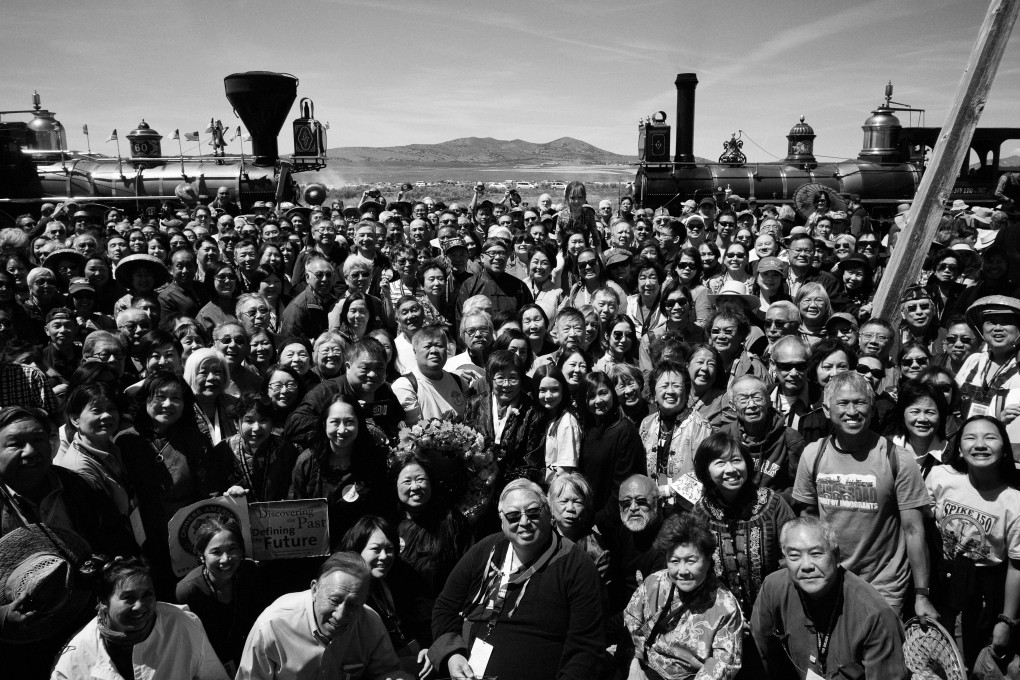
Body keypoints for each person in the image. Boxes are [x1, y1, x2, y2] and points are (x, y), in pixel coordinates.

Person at [792, 371, 938, 617]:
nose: (852, 411)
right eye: (843, 403)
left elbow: (914, 530)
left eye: (860, 402)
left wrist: (922, 595)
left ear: (872, 409)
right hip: (830, 582)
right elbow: (808, 520)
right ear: (827, 410)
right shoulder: (812, 455)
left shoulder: (897, 459)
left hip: (884, 587)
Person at [429, 479, 607, 680]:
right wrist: (452, 655)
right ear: (502, 519)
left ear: (547, 512)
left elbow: (586, 648)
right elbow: (445, 607)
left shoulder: (576, 564)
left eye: (533, 512)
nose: (524, 522)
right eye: (513, 516)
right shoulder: (486, 549)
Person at [751, 516, 910, 679]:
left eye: (816, 553)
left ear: (836, 556)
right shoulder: (773, 588)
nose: (806, 566)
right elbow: (761, 654)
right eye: (794, 556)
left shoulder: (874, 614)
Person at [926, 415, 1020, 667]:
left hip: (985, 594)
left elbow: (1016, 566)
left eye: (990, 437)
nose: (980, 444)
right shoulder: (940, 477)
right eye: (970, 437)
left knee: (973, 663)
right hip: (941, 583)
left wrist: (1007, 620)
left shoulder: (1014, 500)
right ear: (959, 447)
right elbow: (922, 523)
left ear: (1004, 448)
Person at [237, 551, 413, 680]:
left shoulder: (370, 621)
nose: (341, 615)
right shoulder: (272, 625)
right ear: (315, 589)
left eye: (353, 605)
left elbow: (387, 671)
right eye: (335, 600)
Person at [53, 556, 229, 680]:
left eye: (147, 595)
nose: (140, 606)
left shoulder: (182, 623)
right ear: (103, 602)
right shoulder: (74, 658)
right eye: (128, 598)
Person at [624, 512, 743, 680]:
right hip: (649, 667)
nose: (682, 571)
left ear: (708, 560)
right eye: (674, 561)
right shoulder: (654, 583)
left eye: (691, 561)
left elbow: (723, 664)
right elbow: (631, 622)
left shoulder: (725, 605)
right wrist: (634, 663)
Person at [289, 393, 393, 545]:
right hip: (318, 544)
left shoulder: (374, 459)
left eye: (349, 421)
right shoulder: (307, 462)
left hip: (361, 545)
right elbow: (297, 508)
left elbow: (382, 509)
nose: (342, 429)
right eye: (335, 422)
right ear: (324, 424)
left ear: (359, 424)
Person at [389, 454, 472, 645]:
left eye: (421, 479)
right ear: (395, 485)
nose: (415, 487)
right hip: (398, 629)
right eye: (407, 481)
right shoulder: (387, 523)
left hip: (441, 624)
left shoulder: (452, 521)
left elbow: (468, 574)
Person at [175, 517, 266, 674]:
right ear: (202, 556)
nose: (226, 559)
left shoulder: (249, 572)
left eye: (232, 549)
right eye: (216, 552)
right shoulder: (189, 590)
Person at [340, 516, 426, 673]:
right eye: (376, 549)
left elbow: (423, 617)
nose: (384, 556)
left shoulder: (399, 577)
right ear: (358, 549)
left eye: (390, 549)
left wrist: (429, 648)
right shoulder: (345, 590)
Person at [640, 360, 714, 507]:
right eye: (664, 386)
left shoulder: (700, 426)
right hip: (652, 507)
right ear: (654, 394)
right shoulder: (646, 424)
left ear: (686, 392)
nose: (670, 391)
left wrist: (668, 490)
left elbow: (706, 471)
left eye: (676, 386)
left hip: (687, 509)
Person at [721, 376, 805, 501]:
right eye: (743, 399)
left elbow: (802, 487)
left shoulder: (790, 439)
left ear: (768, 400)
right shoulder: (725, 436)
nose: (752, 405)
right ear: (733, 405)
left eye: (757, 397)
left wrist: (771, 503)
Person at [391, 326, 467, 425]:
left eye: (439, 346)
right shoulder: (405, 386)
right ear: (414, 352)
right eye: (427, 346)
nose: (434, 351)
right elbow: (412, 430)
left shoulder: (459, 381)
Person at [532, 364, 581, 485]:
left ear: (563, 390)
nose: (548, 396)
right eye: (542, 390)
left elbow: (565, 470)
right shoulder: (543, 418)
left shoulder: (567, 422)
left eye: (554, 389)